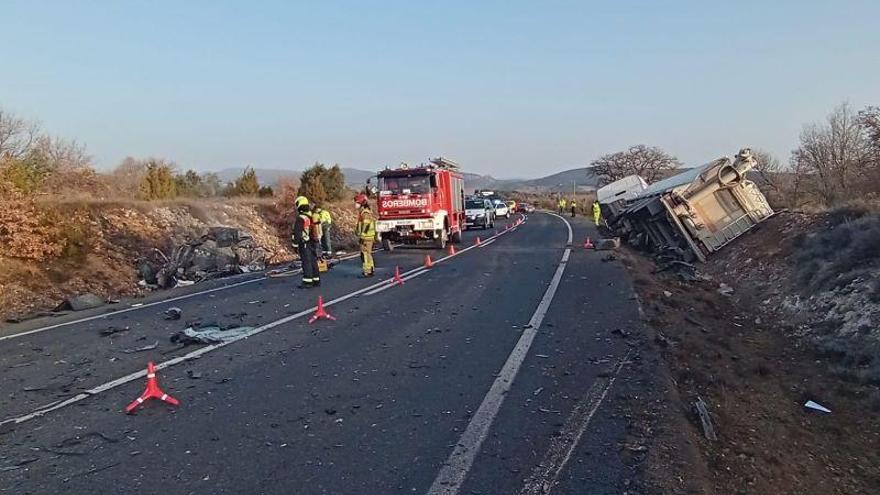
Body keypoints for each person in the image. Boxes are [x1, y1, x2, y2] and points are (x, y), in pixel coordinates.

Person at [292, 196, 320, 288]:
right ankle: (316, 279)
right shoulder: (311, 215)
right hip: (313, 242)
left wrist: (295, 244)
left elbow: (297, 232)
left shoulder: (301, 218)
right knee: (313, 260)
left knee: (306, 261)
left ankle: (307, 281)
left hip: (304, 242)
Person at [355, 193, 376, 277]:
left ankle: (367, 271)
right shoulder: (365, 211)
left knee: (365, 254)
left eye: (357, 202)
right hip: (368, 236)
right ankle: (371, 269)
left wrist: (362, 236)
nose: (355, 204)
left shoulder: (365, 212)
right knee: (368, 253)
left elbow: (366, 224)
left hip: (366, 237)